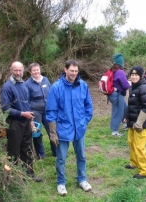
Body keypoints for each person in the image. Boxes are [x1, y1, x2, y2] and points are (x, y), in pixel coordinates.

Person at [46, 59, 93, 196]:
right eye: (71, 70)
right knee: (61, 158)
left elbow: (88, 106)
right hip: (63, 129)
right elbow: (51, 111)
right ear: (65, 70)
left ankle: (82, 179)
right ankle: (61, 183)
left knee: (82, 156)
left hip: (79, 128)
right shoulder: (56, 87)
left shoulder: (83, 85)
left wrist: (84, 121)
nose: (74, 73)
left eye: (76, 71)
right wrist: (53, 132)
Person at [0, 61, 42, 182]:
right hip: (14, 123)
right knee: (13, 151)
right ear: (10, 70)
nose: (18, 73)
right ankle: (12, 178)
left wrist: (31, 120)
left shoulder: (23, 84)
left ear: (23, 71)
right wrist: (22, 114)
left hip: (26, 122)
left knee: (27, 149)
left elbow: (27, 105)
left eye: (20, 70)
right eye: (15, 70)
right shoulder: (7, 87)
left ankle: (29, 175)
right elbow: (5, 109)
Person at [123, 66, 146, 179]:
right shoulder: (132, 87)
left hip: (141, 125)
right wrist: (126, 116)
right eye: (132, 75)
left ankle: (145, 171)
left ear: (140, 76)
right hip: (132, 122)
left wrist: (139, 123)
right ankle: (134, 163)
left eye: (136, 75)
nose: (134, 77)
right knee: (131, 142)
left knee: (140, 147)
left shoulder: (144, 88)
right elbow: (130, 104)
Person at [25, 63, 56, 159]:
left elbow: (51, 93)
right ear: (30, 72)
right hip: (35, 111)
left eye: (37, 70)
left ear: (40, 70)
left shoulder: (45, 79)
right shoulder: (27, 84)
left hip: (48, 110)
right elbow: (26, 100)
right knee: (36, 132)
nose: (36, 72)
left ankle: (56, 151)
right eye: (34, 70)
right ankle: (40, 154)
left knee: (52, 130)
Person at [108, 53, 131, 137]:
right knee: (118, 112)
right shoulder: (120, 72)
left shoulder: (112, 70)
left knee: (125, 108)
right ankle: (114, 132)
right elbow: (125, 85)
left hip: (113, 94)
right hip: (118, 95)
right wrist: (130, 84)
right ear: (121, 62)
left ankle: (125, 124)